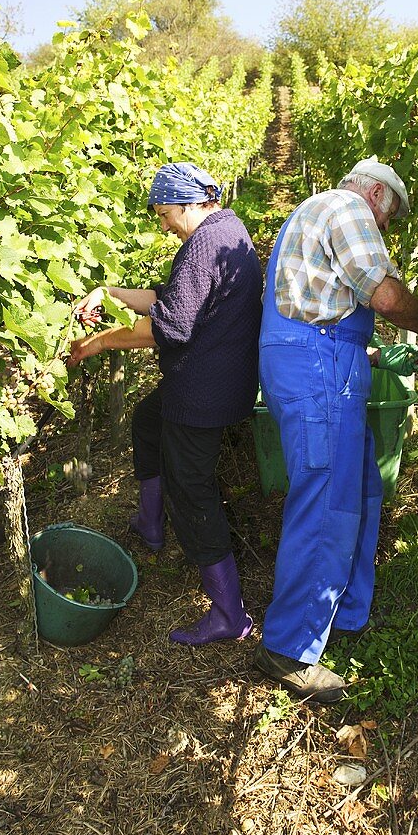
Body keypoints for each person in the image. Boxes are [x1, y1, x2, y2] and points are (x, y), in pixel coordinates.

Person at [254, 157, 418, 703]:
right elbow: (381, 294)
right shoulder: (348, 206)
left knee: (360, 487)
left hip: (324, 362)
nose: (385, 230)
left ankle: (342, 611)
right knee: (326, 501)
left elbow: (322, 312)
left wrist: (382, 355)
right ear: (379, 197)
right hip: (319, 372)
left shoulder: (309, 213)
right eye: (390, 221)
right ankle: (289, 648)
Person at [68, 162, 262, 646]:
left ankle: (229, 615)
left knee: (191, 490)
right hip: (217, 379)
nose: (163, 224)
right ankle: (150, 525)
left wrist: (99, 343)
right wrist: (109, 293)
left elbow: (170, 326)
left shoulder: (204, 244)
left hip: (202, 392)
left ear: (190, 203)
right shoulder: (225, 230)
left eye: (164, 213)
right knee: (146, 421)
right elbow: (171, 299)